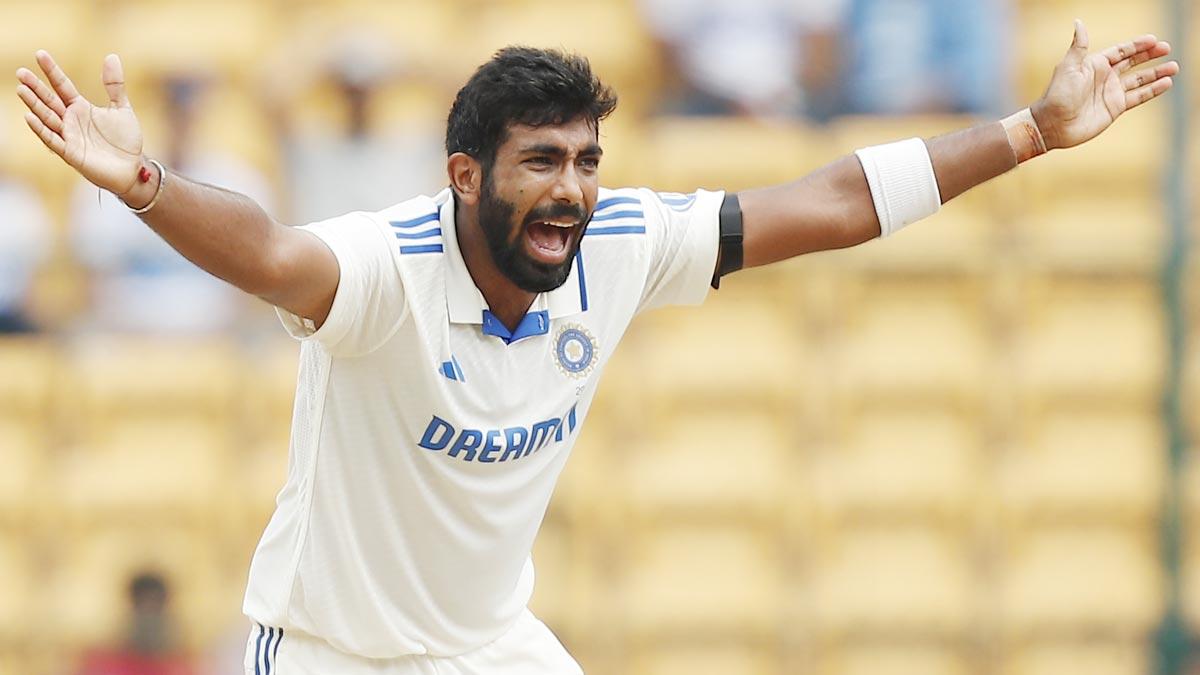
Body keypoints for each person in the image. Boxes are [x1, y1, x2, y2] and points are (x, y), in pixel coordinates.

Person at [15, 20, 1177, 674]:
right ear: (466, 176)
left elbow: (827, 201)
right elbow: (269, 252)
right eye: (541, 162)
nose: (571, 192)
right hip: (332, 653)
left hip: (492, 649)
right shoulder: (386, 268)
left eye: (585, 160)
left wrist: (1029, 132)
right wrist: (147, 185)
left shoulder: (622, 241)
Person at [74, 571, 195, 675]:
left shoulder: (181, 665)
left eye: (155, 606)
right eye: (142, 605)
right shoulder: (102, 662)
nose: (149, 615)